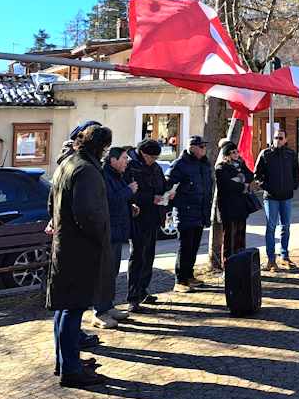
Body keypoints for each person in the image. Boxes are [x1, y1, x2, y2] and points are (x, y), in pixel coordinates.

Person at [46, 125, 113, 388]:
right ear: (102, 147)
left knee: (65, 308)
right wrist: (99, 238)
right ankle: (71, 370)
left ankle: (65, 361)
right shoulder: (86, 170)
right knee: (72, 309)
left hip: (65, 246)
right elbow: (87, 214)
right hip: (80, 250)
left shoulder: (67, 164)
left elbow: (52, 203)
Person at [91, 147, 138, 329]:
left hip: (117, 232)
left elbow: (118, 201)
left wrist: (130, 206)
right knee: (104, 274)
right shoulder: (104, 175)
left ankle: (108, 306)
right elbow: (108, 201)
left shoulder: (117, 175)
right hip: (107, 232)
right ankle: (99, 312)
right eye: (124, 158)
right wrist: (128, 191)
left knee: (112, 272)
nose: (127, 161)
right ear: (113, 160)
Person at [168, 135, 214, 293]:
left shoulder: (204, 163)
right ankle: (180, 280)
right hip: (185, 212)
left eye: (204, 146)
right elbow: (168, 184)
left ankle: (189, 276)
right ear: (192, 147)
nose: (204, 149)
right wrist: (173, 197)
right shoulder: (180, 164)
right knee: (185, 247)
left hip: (200, 211)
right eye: (201, 147)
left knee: (194, 247)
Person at [124, 139, 167, 311]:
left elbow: (162, 185)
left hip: (154, 217)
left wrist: (166, 194)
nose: (154, 160)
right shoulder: (130, 167)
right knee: (138, 256)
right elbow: (130, 193)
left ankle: (143, 291)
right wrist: (151, 198)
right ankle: (133, 297)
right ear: (143, 153)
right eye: (152, 157)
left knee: (148, 255)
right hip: (138, 218)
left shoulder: (155, 167)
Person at [254, 129, 299, 272]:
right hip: (271, 197)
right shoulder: (266, 154)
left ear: (285, 139)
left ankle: (284, 256)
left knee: (285, 226)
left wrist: (292, 186)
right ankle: (271, 260)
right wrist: (266, 186)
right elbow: (257, 174)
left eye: (280, 138)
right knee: (271, 227)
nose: (278, 140)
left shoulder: (291, 154)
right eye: (275, 138)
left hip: (286, 197)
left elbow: (296, 172)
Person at [215, 141, 255, 266]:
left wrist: (240, 180)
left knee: (240, 236)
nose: (236, 154)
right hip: (229, 208)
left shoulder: (241, 164)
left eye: (237, 151)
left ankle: (241, 263)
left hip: (241, 207)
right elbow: (228, 186)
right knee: (229, 238)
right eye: (233, 152)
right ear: (226, 155)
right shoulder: (221, 167)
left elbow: (250, 176)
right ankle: (228, 265)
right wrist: (242, 183)